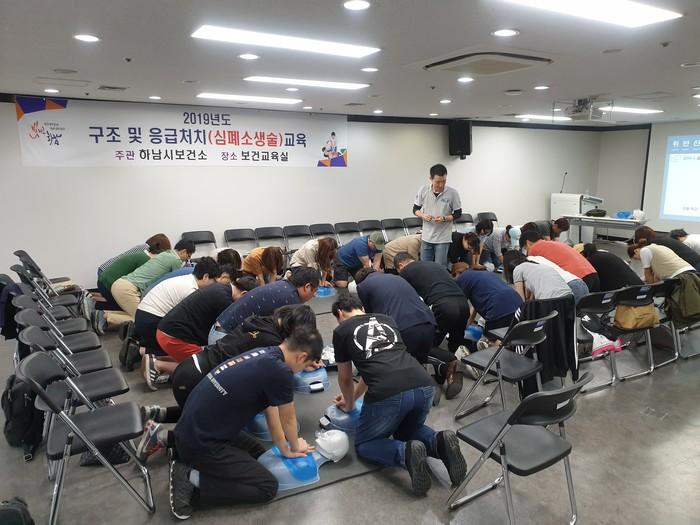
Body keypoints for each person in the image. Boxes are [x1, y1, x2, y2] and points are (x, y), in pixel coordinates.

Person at [169, 327, 323, 519]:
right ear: (302, 357)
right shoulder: (281, 371)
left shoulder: (265, 353)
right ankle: (190, 478)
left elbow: (271, 410)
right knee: (266, 487)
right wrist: (294, 446)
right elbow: (289, 418)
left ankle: (185, 455)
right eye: (305, 366)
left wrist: (283, 446)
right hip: (201, 442)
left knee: (258, 453)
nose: (301, 371)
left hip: (195, 429)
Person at [137, 305, 317, 461]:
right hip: (196, 378)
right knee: (209, 431)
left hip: (191, 366)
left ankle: (159, 413)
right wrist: (286, 444)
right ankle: (163, 437)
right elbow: (274, 408)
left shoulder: (263, 322)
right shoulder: (272, 345)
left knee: (204, 413)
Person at [331, 296, 467, 496]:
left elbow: (345, 378)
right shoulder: (387, 320)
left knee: (364, 444)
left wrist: (350, 405)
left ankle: (404, 453)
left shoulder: (341, 330)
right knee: (406, 430)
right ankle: (439, 442)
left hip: (388, 393)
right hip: (423, 384)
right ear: (362, 308)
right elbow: (376, 366)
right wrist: (355, 396)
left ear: (340, 314)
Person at [145, 276, 259, 389]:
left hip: (166, 330)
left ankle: (157, 359)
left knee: (201, 354)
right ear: (244, 294)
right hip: (173, 337)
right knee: (206, 366)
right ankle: (158, 365)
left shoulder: (220, 288)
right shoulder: (225, 301)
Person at [394, 253, 470, 397]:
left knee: (425, 345)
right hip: (463, 303)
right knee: (454, 343)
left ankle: (446, 365)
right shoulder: (433, 264)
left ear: (401, 265)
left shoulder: (405, 272)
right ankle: (450, 373)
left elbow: (407, 298)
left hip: (443, 305)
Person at [134, 258, 222, 375]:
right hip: (151, 320)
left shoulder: (187, 279)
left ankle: (138, 344)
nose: (215, 286)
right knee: (179, 347)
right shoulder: (191, 290)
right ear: (206, 277)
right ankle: (139, 352)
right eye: (214, 282)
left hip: (144, 315)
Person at [100, 240, 195, 330]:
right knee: (141, 319)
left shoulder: (165, 254)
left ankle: (102, 314)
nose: (188, 259)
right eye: (189, 256)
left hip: (121, 283)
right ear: (183, 251)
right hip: (128, 289)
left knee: (134, 313)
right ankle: (105, 318)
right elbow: (175, 279)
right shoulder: (176, 260)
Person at [354, 268, 437, 365]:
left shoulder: (363, 286)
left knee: (400, 364)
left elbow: (369, 316)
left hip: (403, 328)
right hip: (428, 321)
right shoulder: (397, 277)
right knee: (420, 363)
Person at [215, 267, 320, 339]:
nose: (314, 295)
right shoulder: (292, 299)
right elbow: (294, 337)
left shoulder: (283, 285)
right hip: (224, 338)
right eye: (315, 291)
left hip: (220, 328)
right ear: (307, 287)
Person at [95, 233, 171, 315]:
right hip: (109, 281)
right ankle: (98, 310)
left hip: (105, 276)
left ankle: (94, 305)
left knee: (120, 304)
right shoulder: (148, 260)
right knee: (126, 308)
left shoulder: (144, 252)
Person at [413, 163, 462, 268]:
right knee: (425, 266)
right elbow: (415, 209)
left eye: (444, 181)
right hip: (426, 236)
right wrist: (423, 215)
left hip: (443, 238)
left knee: (440, 267)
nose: (441, 185)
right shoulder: (423, 190)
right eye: (438, 182)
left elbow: (458, 213)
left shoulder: (453, 193)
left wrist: (445, 218)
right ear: (431, 179)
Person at [520, 231, 600, 292]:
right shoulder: (554, 244)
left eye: (525, 248)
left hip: (577, 279)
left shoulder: (534, 249)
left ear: (528, 243)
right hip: (593, 274)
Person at [455, 266, 524, 332]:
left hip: (498, 306)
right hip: (518, 304)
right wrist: (466, 325)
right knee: (511, 336)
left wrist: (457, 330)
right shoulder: (484, 275)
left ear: (457, 272)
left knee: (492, 337)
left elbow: (460, 308)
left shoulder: (463, 277)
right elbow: (473, 310)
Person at [503, 251, 573, 301]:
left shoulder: (517, 269)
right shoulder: (538, 266)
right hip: (570, 297)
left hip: (551, 301)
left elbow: (521, 300)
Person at [634, 226, 700, 271]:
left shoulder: (653, 245)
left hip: (693, 266)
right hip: (695, 262)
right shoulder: (661, 240)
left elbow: (655, 267)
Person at [627, 240, 695, 283]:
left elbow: (648, 272)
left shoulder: (644, 250)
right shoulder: (659, 247)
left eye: (636, 258)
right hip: (690, 272)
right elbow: (656, 274)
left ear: (636, 251)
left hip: (679, 275)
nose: (639, 260)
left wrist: (649, 289)